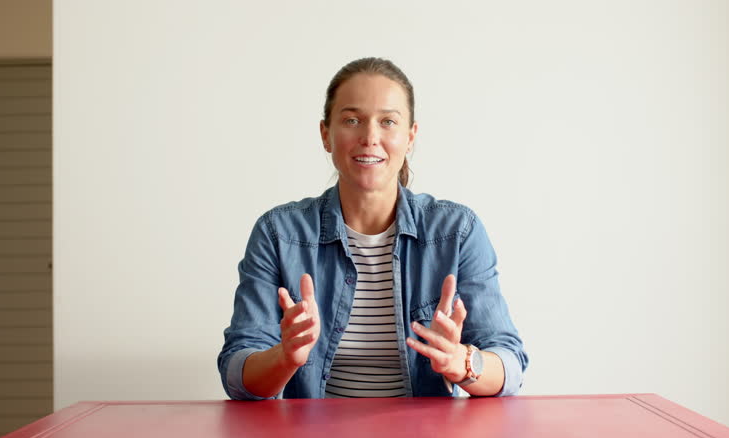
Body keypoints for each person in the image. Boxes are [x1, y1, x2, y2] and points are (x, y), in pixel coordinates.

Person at [217, 57, 528, 399]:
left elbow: (509, 364)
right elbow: (237, 370)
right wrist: (284, 358)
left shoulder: (458, 231)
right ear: (326, 134)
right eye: (352, 120)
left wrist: (461, 363)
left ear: (411, 137)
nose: (370, 137)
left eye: (388, 122)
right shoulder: (278, 233)